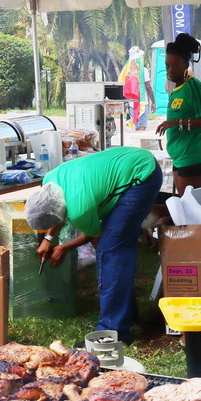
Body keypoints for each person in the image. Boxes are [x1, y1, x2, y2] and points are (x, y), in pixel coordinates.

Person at [27, 146, 161, 343]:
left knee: (110, 252)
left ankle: (112, 333)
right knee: (116, 250)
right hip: (129, 162)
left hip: (141, 176)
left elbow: (93, 234)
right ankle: (126, 316)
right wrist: (48, 238)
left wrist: (64, 247)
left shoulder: (79, 209)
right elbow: (57, 213)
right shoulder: (49, 182)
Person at [154, 33, 201, 194]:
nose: (170, 71)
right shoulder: (177, 88)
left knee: (190, 208)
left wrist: (177, 122)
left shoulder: (192, 87)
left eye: (175, 66)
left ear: (185, 65)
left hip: (192, 156)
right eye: (167, 65)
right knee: (183, 206)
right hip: (180, 156)